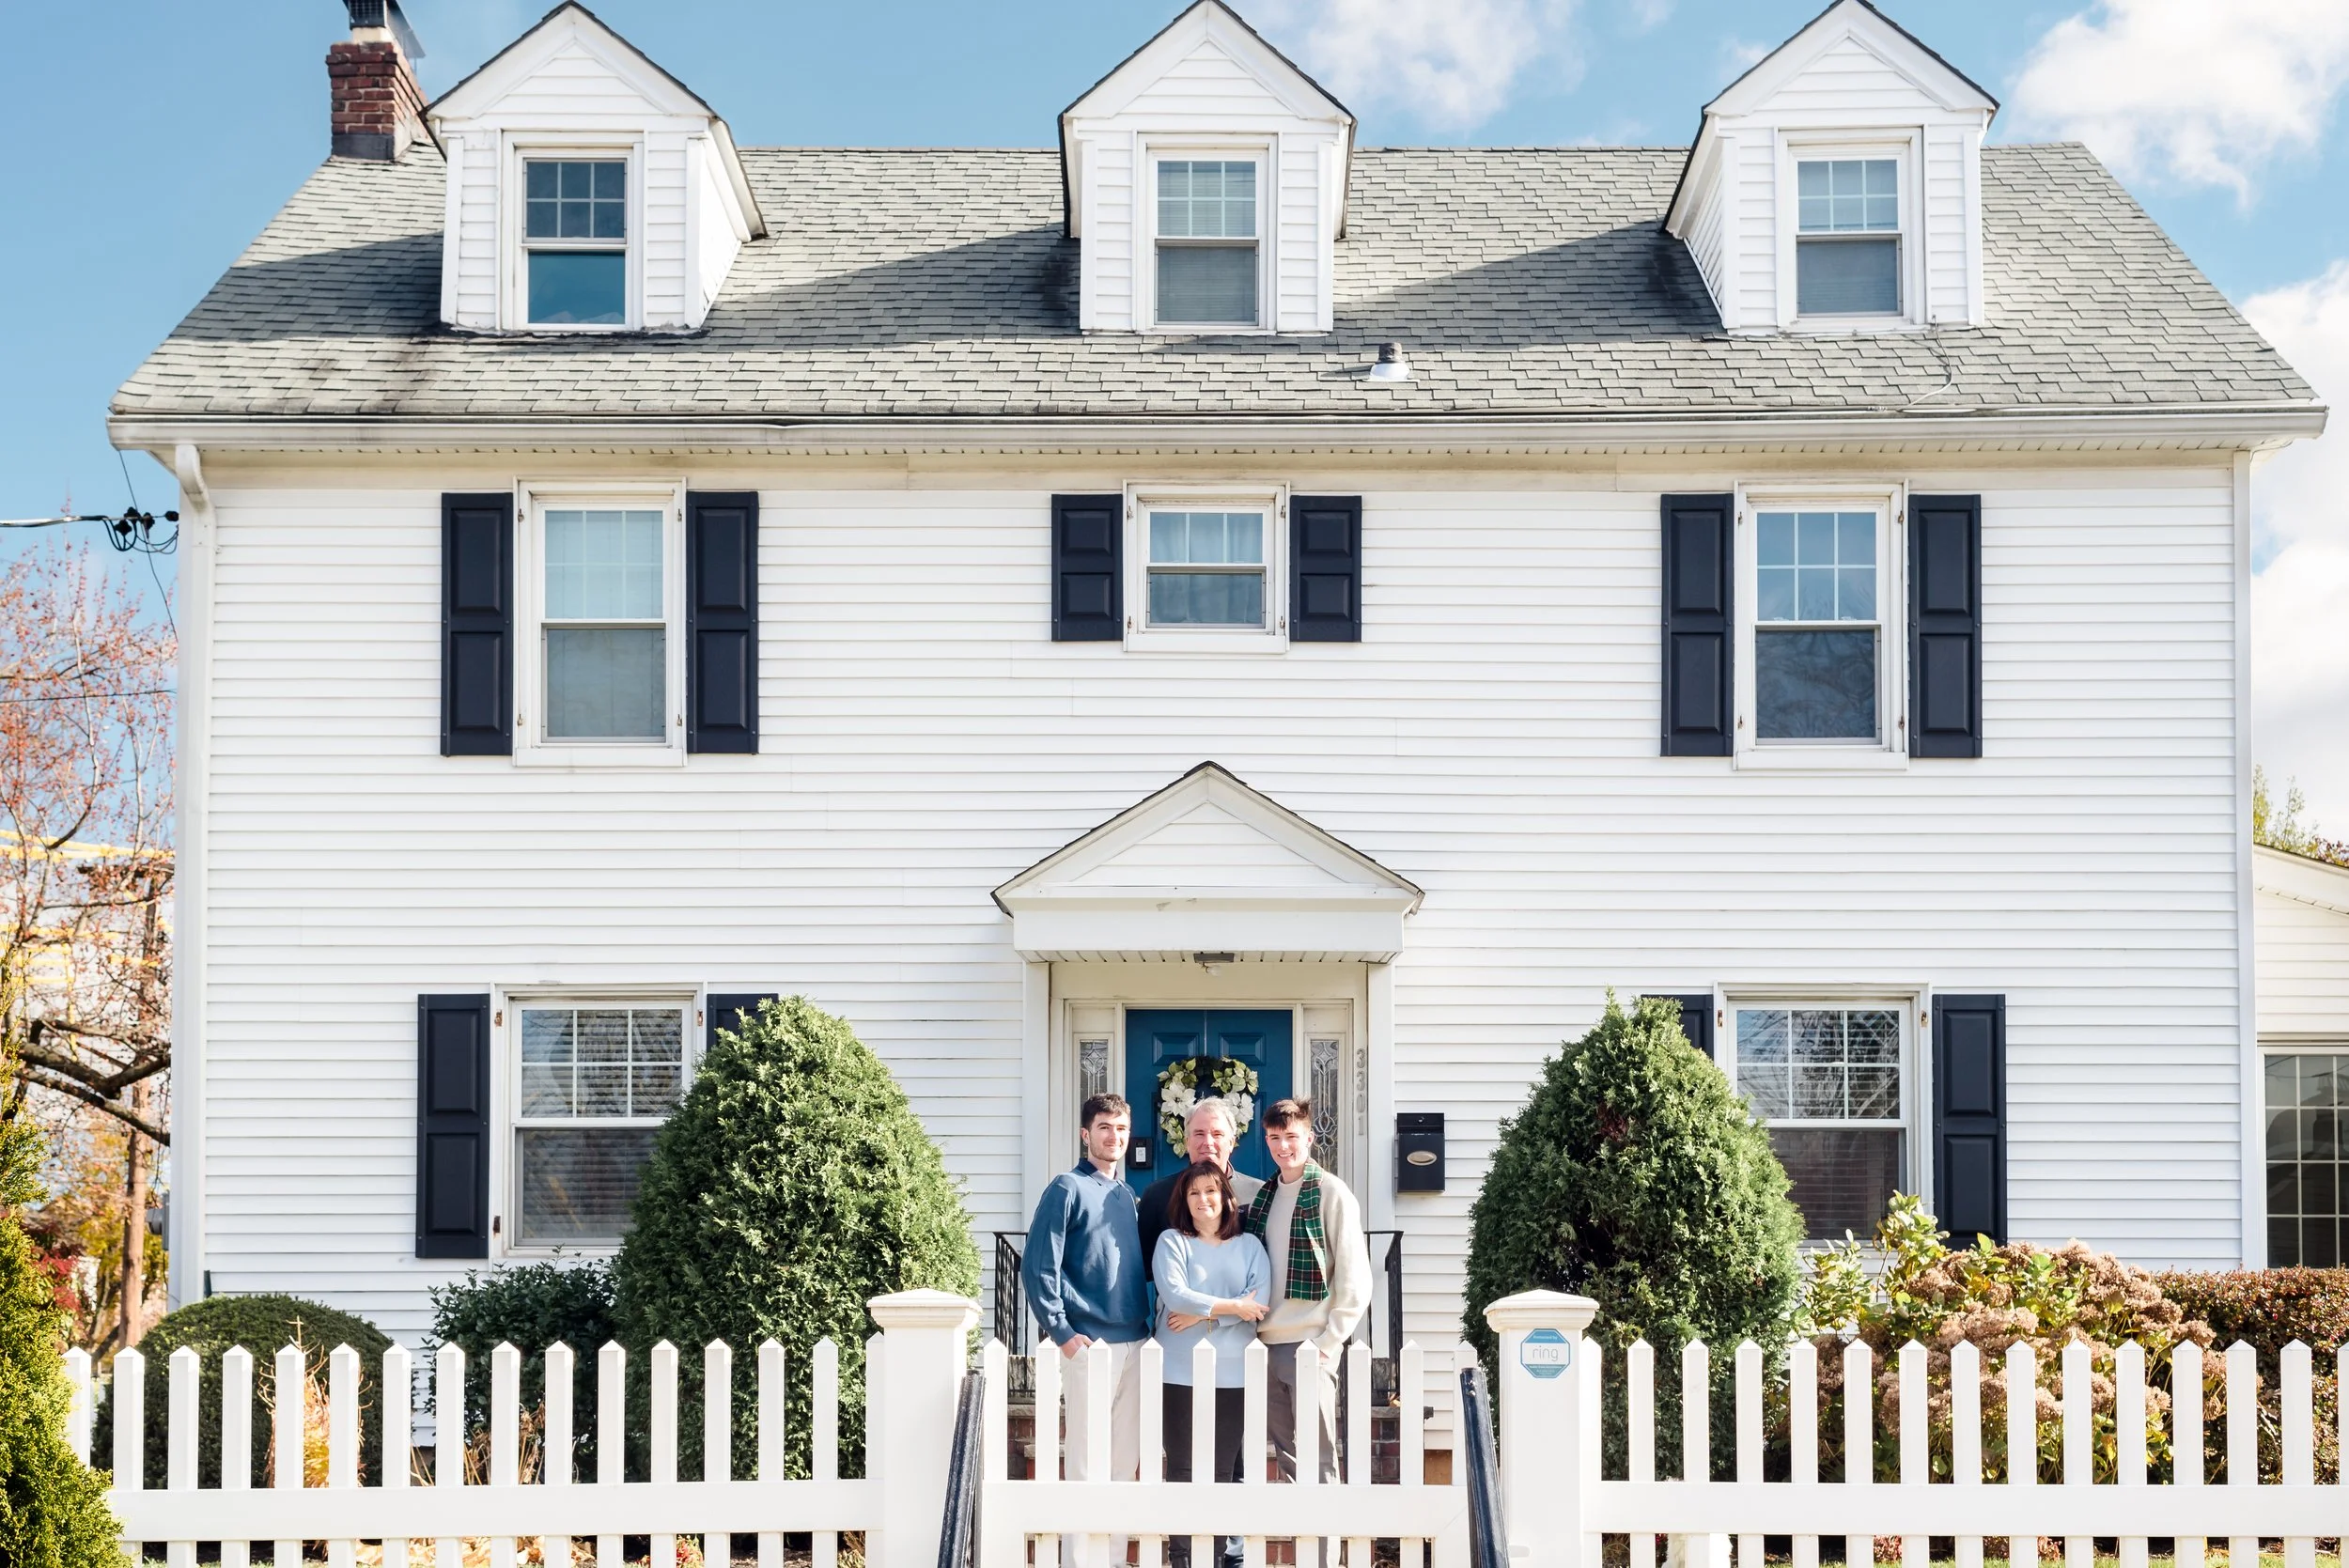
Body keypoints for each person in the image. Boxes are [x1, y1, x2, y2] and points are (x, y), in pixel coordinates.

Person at [1021, 1091, 1148, 1551]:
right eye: (1104, 1128)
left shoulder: (1126, 1194)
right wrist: (1064, 1334)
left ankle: (1112, 1559)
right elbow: (1038, 1266)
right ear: (1085, 1134)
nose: (1114, 1137)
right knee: (1085, 1462)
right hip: (1089, 1343)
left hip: (1136, 1342)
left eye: (1121, 1129)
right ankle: (1079, 1560)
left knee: (1123, 1465)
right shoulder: (1065, 1188)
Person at [1245, 1098, 1370, 1488]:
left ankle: (1325, 1551)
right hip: (1264, 1344)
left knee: (1319, 1459)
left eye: (1292, 1137)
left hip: (1309, 1344)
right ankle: (1301, 1543)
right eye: (1275, 1137)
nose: (1284, 1146)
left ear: (1310, 1138)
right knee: (1288, 1459)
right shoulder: (1264, 1198)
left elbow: (1354, 1272)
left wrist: (1329, 1341)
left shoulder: (1331, 1192)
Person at [1152, 1160, 1269, 1568]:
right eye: (1194, 1193)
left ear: (1226, 1197)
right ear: (1184, 1200)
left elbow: (1258, 1303)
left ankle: (1218, 1558)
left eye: (1212, 1191)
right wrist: (1234, 1306)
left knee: (1222, 1471)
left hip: (1233, 1372)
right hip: (1177, 1371)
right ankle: (1182, 1558)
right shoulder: (1172, 1242)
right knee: (1182, 1469)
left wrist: (1208, 1316)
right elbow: (1175, 1295)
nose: (1204, 1200)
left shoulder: (1250, 1246)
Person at [1138, 1097, 1265, 1264]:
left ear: (1232, 1143)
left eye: (1217, 1134)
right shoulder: (1157, 1195)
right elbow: (1145, 1264)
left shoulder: (1260, 1193)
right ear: (1187, 1142)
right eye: (1199, 1134)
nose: (1208, 1142)